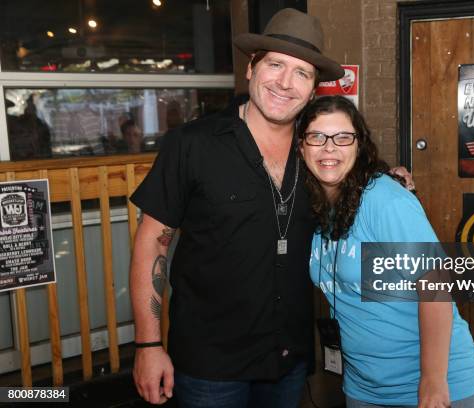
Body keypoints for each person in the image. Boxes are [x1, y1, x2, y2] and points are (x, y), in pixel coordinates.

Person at [129, 8, 347, 408]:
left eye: (302, 73)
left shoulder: (319, 152)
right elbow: (151, 244)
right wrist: (148, 344)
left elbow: (360, 177)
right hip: (210, 365)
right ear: (252, 68)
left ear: (314, 88)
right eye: (276, 65)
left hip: (289, 358)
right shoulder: (192, 144)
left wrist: (395, 178)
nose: (285, 82)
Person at [298, 95, 474, 408]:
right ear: (301, 146)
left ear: (359, 146)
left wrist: (433, 380)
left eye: (343, 137)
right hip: (364, 389)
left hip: (432, 386)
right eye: (317, 137)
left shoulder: (383, 200)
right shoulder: (314, 206)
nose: (329, 148)